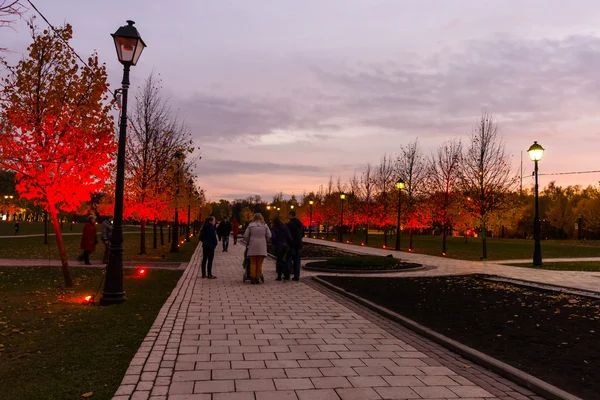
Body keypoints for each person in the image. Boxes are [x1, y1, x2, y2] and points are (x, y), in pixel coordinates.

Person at [243, 213, 271, 284]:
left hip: (252, 245)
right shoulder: (265, 225)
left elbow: (245, 236)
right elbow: (269, 235)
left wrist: (248, 241)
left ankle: (252, 277)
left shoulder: (251, 225)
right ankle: (257, 278)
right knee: (259, 263)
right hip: (262, 246)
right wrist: (266, 241)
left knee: (253, 262)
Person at [271, 217, 293, 281]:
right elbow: (289, 236)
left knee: (279, 260)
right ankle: (287, 275)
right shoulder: (285, 227)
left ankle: (279, 276)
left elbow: (273, 237)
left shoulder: (274, 228)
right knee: (287, 260)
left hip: (279, 246)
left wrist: (274, 243)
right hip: (286, 245)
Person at [287, 210, 305, 281]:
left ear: (291, 215)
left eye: (289, 215)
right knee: (297, 260)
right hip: (299, 244)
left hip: (291, 244)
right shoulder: (300, 223)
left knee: (289, 259)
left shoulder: (290, 224)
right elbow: (303, 234)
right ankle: (297, 275)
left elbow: (287, 234)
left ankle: (288, 273)